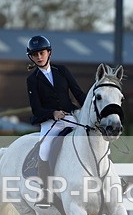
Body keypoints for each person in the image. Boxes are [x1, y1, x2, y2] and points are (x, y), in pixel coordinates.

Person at [26, 35, 87, 197]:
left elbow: (78, 94)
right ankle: (46, 191)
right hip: (49, 122)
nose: (39, 57)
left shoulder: (62, 70)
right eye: (35, 55)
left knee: (92, 137)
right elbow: (36, 108)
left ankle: (108, 176)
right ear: (31, 57)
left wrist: (91, 106)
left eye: (42, 53)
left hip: (70, 117)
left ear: (49, 53)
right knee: (44, 150)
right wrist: (53, 113)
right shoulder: (32, 80)